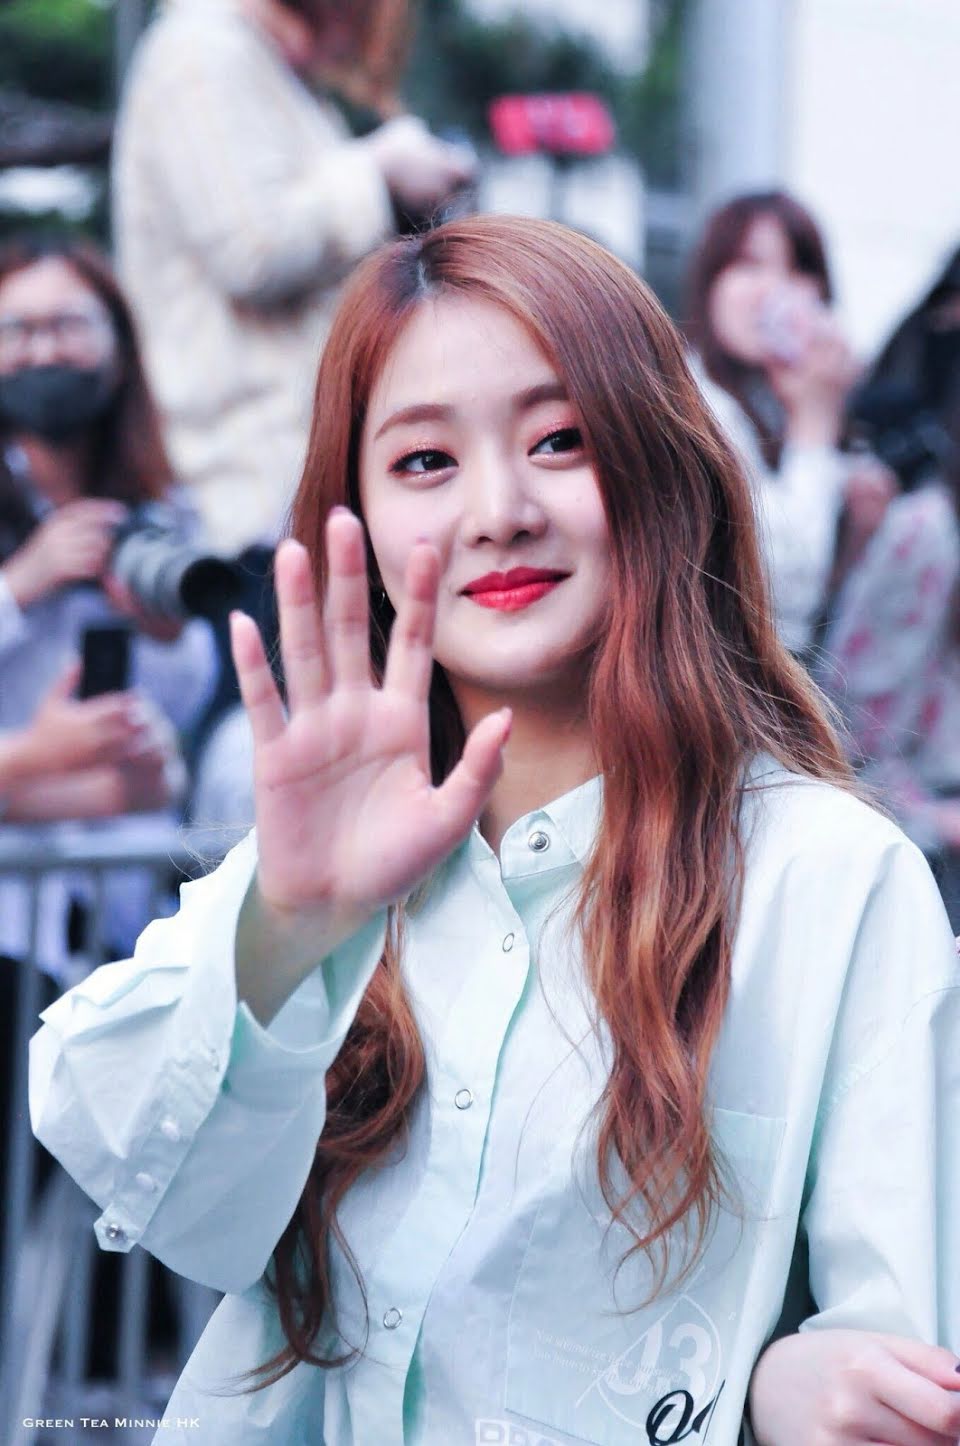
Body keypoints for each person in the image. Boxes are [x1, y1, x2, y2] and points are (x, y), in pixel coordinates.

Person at [30, 217, 960, 1446]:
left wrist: (763, 1394)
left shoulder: (832, 880)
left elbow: (903, 1355)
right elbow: (171, 1197)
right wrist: (293, 927)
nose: (501, 510)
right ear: (355, 517)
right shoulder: (329, 868)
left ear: (663, 465)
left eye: (560, 439)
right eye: (425, 461)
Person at [113, 0, 476, 554]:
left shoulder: (266, 64)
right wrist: (380, 172)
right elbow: (251, 249)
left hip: (292, 477)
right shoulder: (201, 50)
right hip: (255, 486)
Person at [0, 234, 216, 982]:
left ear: (119, 347)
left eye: (68, 325)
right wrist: (23, 581)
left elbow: (170, 731)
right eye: (17, 329)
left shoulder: (159, 503)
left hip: (117, 914)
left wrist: (160, 624)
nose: (43, 350)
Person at [684, 190, 895, 656]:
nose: (774, 291)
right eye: (750, 265)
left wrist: (855, 536)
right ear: (710, 282)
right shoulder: (694, 405)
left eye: (797, 269)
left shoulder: (776, 399)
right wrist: (815, 423)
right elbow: (783, 600)